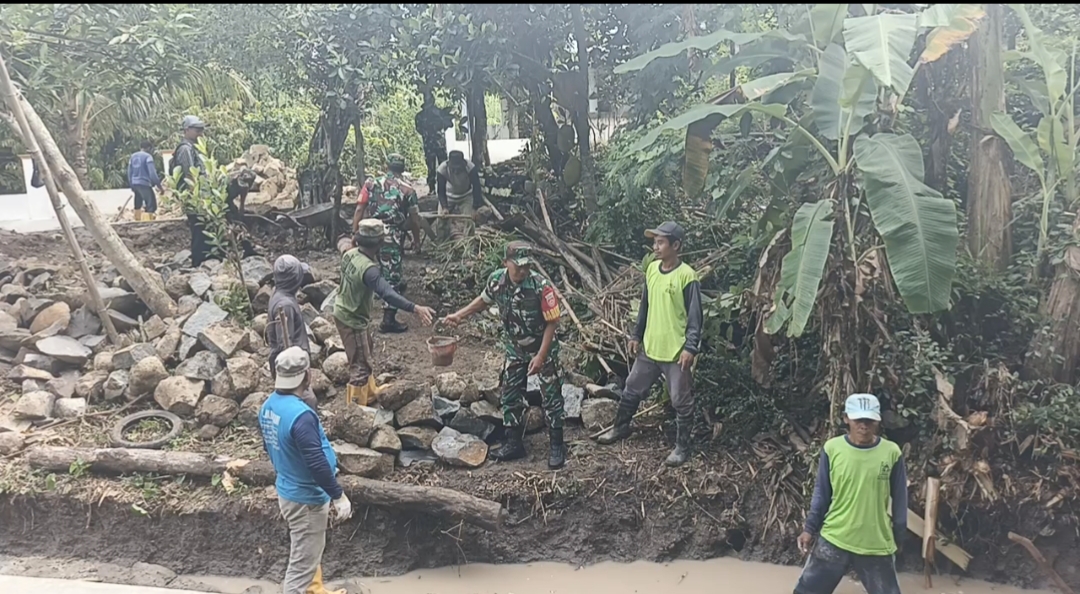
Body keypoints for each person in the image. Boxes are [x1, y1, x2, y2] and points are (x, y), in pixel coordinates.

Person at [442, 241, 567, 469]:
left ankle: (557, 444)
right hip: (515, 348)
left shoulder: (541, 286)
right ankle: (513, 443)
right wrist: (460, 315)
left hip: (543, 348)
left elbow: (553, 323)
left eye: (526, 266)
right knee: (510, 393)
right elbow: (484, 300)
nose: (522, 271)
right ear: (505, 263)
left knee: (551, 395)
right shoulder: (497, 280)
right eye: (518, 266)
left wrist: (540, 356)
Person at [596, 221, 702, 467]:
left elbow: (696, 317)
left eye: (661, 242)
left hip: (675, 351)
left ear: (676, 245)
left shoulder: (687, 276)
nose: (656, 247)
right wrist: (636, 335)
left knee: (680, 399)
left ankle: (682, 446)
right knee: (632, 387)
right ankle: (620, 428)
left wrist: (690, 347)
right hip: (651, 347)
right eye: (654, 242)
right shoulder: (653, 270)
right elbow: (645, 306)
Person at [259, 346, 352, 594]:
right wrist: (337, 495)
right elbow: (316, 462)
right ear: (307, 375)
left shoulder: (268, 406)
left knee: (306, 554)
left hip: (287, 491)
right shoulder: (301, 416)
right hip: (306, 500)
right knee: (301, 570)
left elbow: (269, 448)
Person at [793, 393, 907, 594]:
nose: (864, 425)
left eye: (869, 420)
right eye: (858, 420)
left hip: (876, 544)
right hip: (835, 539)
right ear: (846, 418)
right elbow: (822, 494)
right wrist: (809, 529)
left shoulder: (892, 453)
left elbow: (899, 500)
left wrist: (899, 535)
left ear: (877, 421)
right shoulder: (832, 449)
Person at [334, 219, 435, 406]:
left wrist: (343, 239)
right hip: (352, 318)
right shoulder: (369, 270)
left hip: (344, 310)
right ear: (380, 243)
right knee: (359, 367)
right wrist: (415, 308)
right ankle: (354, 409)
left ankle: (370, 391)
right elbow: (388, 293)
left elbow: (342, 244)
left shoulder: (351, 253)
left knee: (366, 350)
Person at [352, 153, 423, 333]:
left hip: (368, 232)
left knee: (365, 267)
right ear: (403, 168)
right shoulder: (408, 190)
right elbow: (415, 219)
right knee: (392, 275)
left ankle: (359, 304)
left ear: (386, 166)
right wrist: (416, 240)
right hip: (391, 235)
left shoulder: (370, 183)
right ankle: (388, 320)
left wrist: (355, 233)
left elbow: (360, 207)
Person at [267, 255, 319, 411]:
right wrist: (293, 372)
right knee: (307, 401)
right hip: (291, 364)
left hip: (286, 361)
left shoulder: (279, 294)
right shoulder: (285, 305)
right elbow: (285, 343)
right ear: (295, 280)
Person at [172, 115, 210, 266]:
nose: (200, 133)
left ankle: (203, 259)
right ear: (186, 130)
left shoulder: (192, 148)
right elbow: (190, 174)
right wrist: (196, 198)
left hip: (197, 195)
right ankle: (198, 261)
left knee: (201, 228)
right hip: (194, 196)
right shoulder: (185, 149)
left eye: (201, 129)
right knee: (198, 229)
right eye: (197, 129)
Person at [435, 150, 483, 241]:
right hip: (448, 196)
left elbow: (477, 187)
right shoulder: (442, 169)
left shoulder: (470, 168)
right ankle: (441, 244)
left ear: (463, 164)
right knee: (441, 220)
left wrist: (475, 208)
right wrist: (444, 207)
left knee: (469, 221)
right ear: (449, 165)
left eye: (458, 168)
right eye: (454, 168)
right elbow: (440, 191)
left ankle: (469, 244)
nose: (456, 171)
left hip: (466, 195)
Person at [414, 88, 454, 194]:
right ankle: (432, 188)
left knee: (444, 165)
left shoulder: (440, 113)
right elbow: (419, 129)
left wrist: (439, 119)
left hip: (439, 143)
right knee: (431, 166)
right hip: (429, 144)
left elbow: (449, 124)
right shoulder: (420, 116)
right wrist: (429, 133)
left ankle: (445, 187)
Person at [127, 140, 163, 221]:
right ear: (149, 148)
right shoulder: (148, 157)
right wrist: (159, 186)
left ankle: (137, 221)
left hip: (134, 183)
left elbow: (129, 171)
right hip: (144, 183)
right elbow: (152, 173)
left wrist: (131, 184)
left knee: (138, 203)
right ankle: (148, 223)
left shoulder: (133, 156)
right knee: (151, 205)